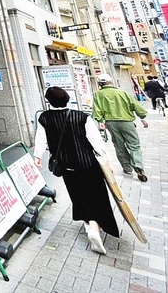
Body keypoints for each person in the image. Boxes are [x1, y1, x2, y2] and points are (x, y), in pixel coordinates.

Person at [34, 86, 118, 255]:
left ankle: (89, 225)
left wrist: (37, 156)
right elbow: (96, 143)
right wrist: (107, 161)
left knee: (78, 196)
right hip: (88, 165)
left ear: (49, 101)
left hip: (66, 166)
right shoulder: (81, 117)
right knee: (96, 196)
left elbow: (41, 140)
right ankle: (94, 228)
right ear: (67, 98)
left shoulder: (44, 118)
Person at [92, 73, 149, 181]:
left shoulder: (98, 95)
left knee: (119, 146)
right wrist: (142, 118)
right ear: (111, 82)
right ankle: (138, 166)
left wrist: (100, 121)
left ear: (99, 84)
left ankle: (127, 168)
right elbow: (135, 105)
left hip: (111, 123)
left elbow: (97, 110)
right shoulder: (122, 93)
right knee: (134, 145)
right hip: (127, 122)